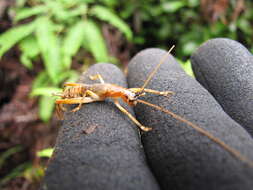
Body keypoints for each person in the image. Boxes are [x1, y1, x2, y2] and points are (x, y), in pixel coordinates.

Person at [41, 38, 253, 190]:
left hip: (98, 90)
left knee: (132, 93)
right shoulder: (111, 94)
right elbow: (95, 94)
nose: (129, 99)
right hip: (86, 93)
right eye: (127, 97)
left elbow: (134, 93)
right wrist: (78, 105)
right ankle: (69, 108)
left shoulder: (119, 92)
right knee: (61, 99)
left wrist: (159, 92)